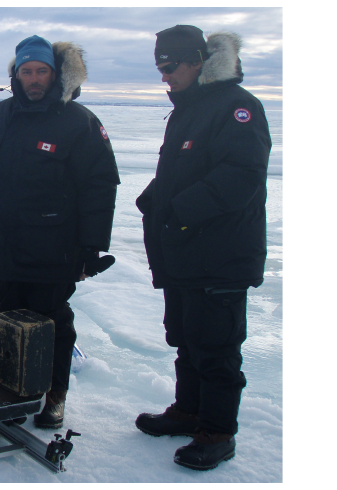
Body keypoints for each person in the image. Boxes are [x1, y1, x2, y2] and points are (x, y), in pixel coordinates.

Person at [0, 35, 120, 429]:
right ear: (15, 74)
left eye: (41, 71)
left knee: (52, 321)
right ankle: (15, 391)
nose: (33, 79)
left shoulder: (79, 122)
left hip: (55, 245)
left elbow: (100, 186)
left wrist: (91, 247)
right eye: (26, 71)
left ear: (54, 74)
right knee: (9, 318)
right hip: (4, 241)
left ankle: (54, 396)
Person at [135, 25, 271, 471]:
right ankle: (189, 412)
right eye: (159, 67)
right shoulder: (189, 111)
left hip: (221, 256)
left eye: (170, 66)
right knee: (188, 340)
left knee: (216, 347)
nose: (164, 76)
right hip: (185, 251)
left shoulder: (237, 108)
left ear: (197, 61)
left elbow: (240, 176)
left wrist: (179, 210)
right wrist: (155, 197)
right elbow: (185, 169)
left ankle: (217, 431)